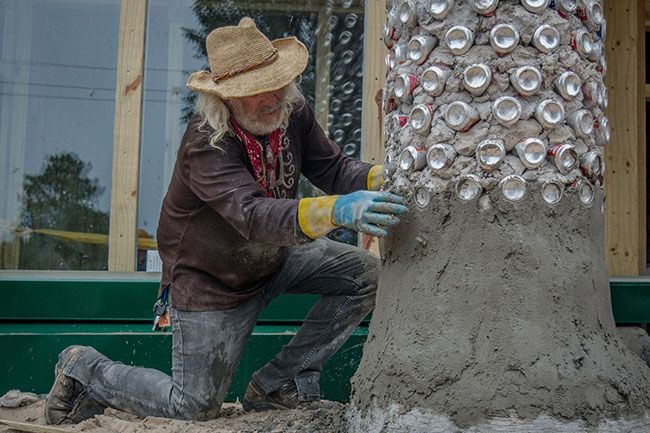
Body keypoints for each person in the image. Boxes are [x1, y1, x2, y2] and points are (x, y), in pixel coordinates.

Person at [43, 17, 407, 424]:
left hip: (274, 257)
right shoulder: (205, 143)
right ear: (226, 98)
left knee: (365, 275)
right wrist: (337, 210)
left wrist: (385, 177)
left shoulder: (291, 110)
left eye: (277, 83)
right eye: (255, 92)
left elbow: (335, 169)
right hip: (211, 282)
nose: (271, 98)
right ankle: (83, 369)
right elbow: (252, 215)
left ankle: (279, 384)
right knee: (193, 406)